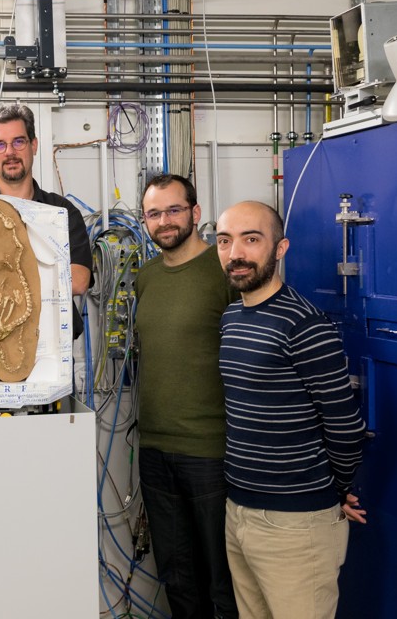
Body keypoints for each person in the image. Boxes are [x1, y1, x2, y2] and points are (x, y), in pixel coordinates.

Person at [215, 200, 367, 619]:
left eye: (251, 239)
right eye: (225, 241)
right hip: (239, 512)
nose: (236, 253)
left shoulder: (305, 325)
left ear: (280, 249)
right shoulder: (232, 318)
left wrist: (332, 493)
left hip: (296, 525)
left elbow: (345, 425)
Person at [134, 174, 238, 619]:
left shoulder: (225, 270)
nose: (164, 221)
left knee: (224, 580)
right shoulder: (146, 277)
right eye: (154, 214)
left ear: (196, 214)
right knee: (177, 578)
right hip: (155, 449)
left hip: (210, 451)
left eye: (174, 210)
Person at [0, 103, 92, 337]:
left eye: (18, 142)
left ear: (34, 145)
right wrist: (48, 274)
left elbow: (79, 280)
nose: (9, 152)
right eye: (0, 145)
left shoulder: (61, 211)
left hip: (51, 346)